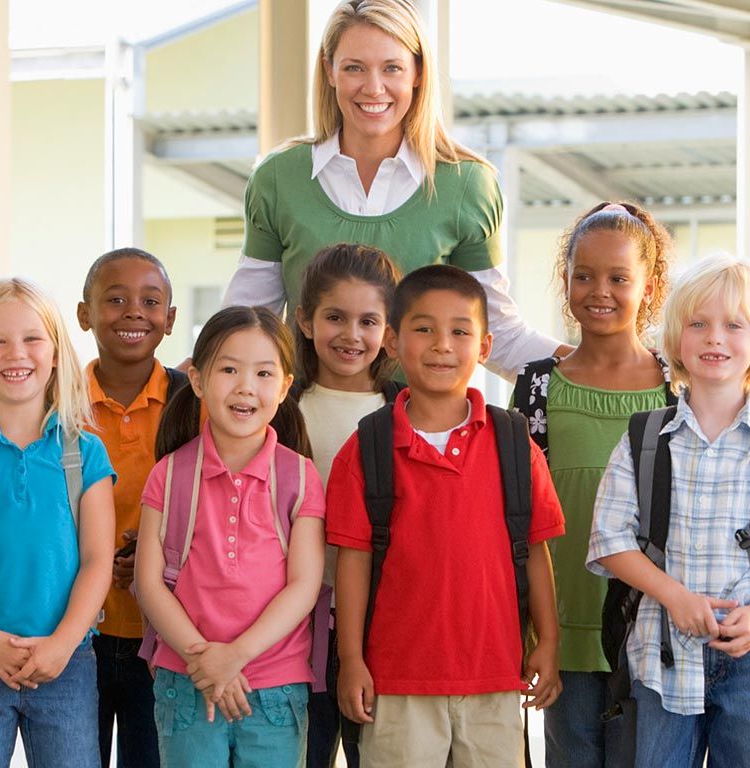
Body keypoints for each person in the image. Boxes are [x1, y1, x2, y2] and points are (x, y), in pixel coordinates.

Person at [222, 0, 565, 382]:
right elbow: (246, 326)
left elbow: (498, 334)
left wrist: (606, 365)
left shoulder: (467, 186)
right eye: (354, 67)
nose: (373, 87)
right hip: (302, 430)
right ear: (329, 70)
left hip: (419, 432)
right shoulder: (278, 178)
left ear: (418, 73)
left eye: (392, 68)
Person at [327, 265, 565, 767]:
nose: (442, 345)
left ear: (484, 347)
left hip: (496, 678)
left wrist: (549, 640)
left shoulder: (513, 444)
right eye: (423, 328)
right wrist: (351, 660)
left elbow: (536, 551)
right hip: (397, 681)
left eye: (460, 331)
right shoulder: (367, 448)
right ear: (392, 340)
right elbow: (352, 562)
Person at [512, 202, 674, 768]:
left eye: (618, 278)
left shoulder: (677, 388)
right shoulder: (536, 387)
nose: (598, 290)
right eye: (584, 275)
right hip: (563, 630)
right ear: (565, 281)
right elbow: (518, 514)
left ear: (648, 287)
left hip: (653, 633)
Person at [134, 306, 325, 768]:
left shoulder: (300, 477)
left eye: (263, 373)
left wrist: (234, 656)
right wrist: (206, 661)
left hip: (274, 688)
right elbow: (148, 582)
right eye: (228, 369)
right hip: (187, 680)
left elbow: (305, 586)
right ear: (198, 381)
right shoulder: (171, 473)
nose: (245, 386)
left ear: (283, 386)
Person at [587, 253, 750, 768]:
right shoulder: (646, 437)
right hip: (662, 660)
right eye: (698, 324)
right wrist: (674, 597)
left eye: (734, 325)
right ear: (677, 339)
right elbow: (610, 538)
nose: (714, 338)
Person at [0, 278, 115, 768]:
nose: (15, 353)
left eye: (32, 338)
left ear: (57, 352)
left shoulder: (84, 452)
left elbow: (98, 562)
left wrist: (61, 646)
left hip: (66, 663)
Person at [292, 243, 401, 768]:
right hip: (293, 624)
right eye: (335, 317)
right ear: (305, 320)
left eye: (368, 320)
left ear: (389, 330)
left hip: (382, 623)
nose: (351, 335)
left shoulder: (403, 409)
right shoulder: (280, 408)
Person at [77, 247, 178, 768]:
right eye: (115, 299)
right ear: (85, 314)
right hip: (77, 634)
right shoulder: (60, 405)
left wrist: (149, 553)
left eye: (150, 300)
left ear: (171, 318)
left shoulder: (194, 405)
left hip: (162, 640)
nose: (134, 311)